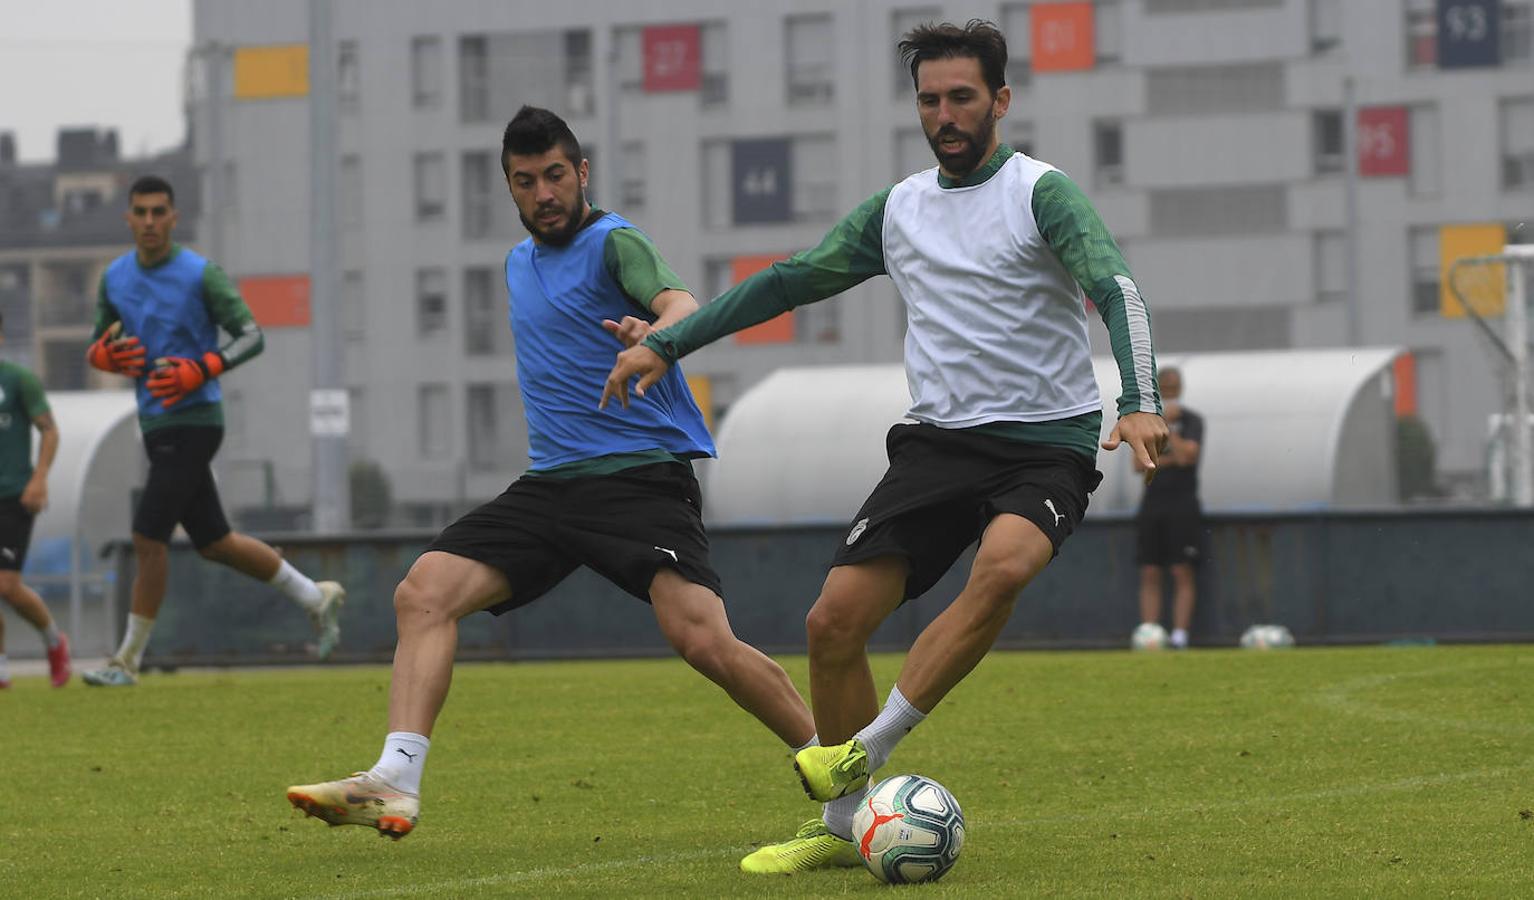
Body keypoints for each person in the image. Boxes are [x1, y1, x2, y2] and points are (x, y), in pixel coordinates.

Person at [602, 20, 1168, 874]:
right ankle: (841, 824)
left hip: (1044, 444)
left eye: (962, 97)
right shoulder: (899, 209)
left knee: (1006, 566)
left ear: (1000, 102)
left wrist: (1140, 399)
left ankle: (866, 750)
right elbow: (789, 280)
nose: (945, 114)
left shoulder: (1041, 193)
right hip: (937, 446)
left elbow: (1115, 288)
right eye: (931, 99)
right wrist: (668, 343)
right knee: (831, 625)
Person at [284, 106, 820, 845]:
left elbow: (681, 304)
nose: (544, 194)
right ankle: (395, 778)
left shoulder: (614, 243)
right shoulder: (516, 263)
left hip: (638, 481)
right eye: (526, 181)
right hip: (551, 487)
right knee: (424, 593)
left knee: (703, 641)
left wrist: (654, 335)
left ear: (583, 174)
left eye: (556, 176)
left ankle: (836, 768)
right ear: (509, 186)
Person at [80, 175, 345, 687]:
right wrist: (104, 356)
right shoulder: (114, 278)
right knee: (215, 542)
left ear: (174, 218)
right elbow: (97, 344)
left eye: (160, 211)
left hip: (197, 420)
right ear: (129, 218)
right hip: (154, 422)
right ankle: (316, 596)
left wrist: (201, 367)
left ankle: (126, 662)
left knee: (146, 532)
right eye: (142, 212)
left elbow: (251, 335)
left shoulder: (201, 274)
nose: (151, 221)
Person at [0, 312, 71, 689]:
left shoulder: (18, 379)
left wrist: (39, 478)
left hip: (14, 495)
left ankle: (54, 642)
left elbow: (49, 430)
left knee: (7, 587)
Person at [1136, 367, 1203, 649]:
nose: (1170, 393)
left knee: (1181, 569)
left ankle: (1180, 635)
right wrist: (1162, 422)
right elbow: (1140, 464)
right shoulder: (1149, 422)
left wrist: (1172, 433)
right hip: (1153, 503)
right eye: (1165, 388)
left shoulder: (1192, 421)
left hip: (1183, 504)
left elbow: (1188, 457)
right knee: (1150, 570)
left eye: (1174, 388)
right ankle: (1150, 634)